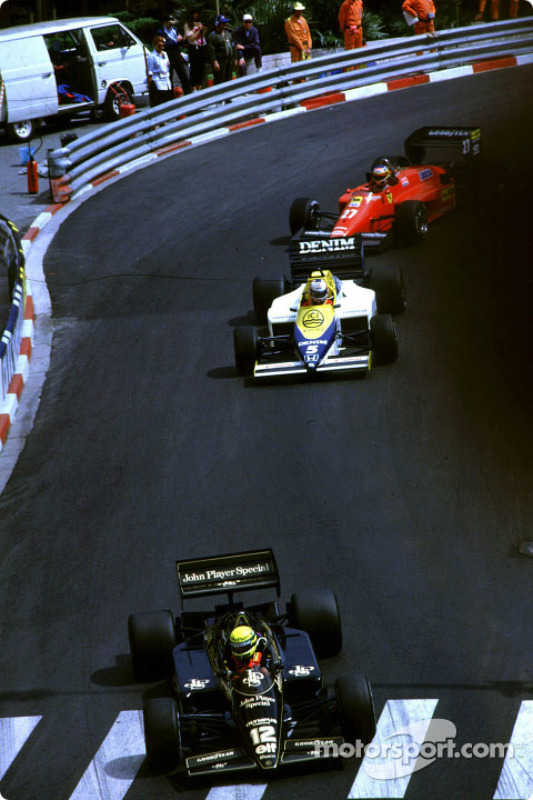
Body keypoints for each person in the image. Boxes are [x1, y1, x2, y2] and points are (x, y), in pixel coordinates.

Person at [158, 13, 192, 94]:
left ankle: (188, 92)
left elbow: (179, 42)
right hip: (168, 55)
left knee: (183, 74)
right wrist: (176, 41)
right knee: (169, 76)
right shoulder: (161, 32)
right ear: (165, 22)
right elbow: (165, 44)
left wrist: (182, 40)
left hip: (176, 54)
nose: (171, 25)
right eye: (170, 23)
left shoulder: (175, 30)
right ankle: (170, 95)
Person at [207, 15, 237, 85]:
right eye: (223, 23)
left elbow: (233, 45)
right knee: (219, 80)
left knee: (228, 79)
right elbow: (211, 50)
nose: (225, 25)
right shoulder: (212, 36)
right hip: (220, 61)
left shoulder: (228, 33)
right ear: (217, 24)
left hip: (229, 60)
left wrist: (235, 58)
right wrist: (214, 61)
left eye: (225, 23)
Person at [184, 8, 208, 90]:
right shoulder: (187, 25)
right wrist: (198, 30)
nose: (196, 15)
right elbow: (190, 39)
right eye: (194, 13)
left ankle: (200, 87)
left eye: (197, 13)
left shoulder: (199, 23)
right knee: (194, 69)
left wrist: (203, 30)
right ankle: (193, 88)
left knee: (201, 68)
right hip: (194, 47)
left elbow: (203, 35)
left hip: (201, 46)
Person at [146, 35, 173, 107]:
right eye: (159, 46)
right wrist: (150, 83)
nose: (161, 48)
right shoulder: (151, 56)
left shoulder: (165, 54)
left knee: (168, 99)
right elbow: (150, 71)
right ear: (155, 45)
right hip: (157, 80)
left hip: (166, 79)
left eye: (162, 46)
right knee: (160, 100)